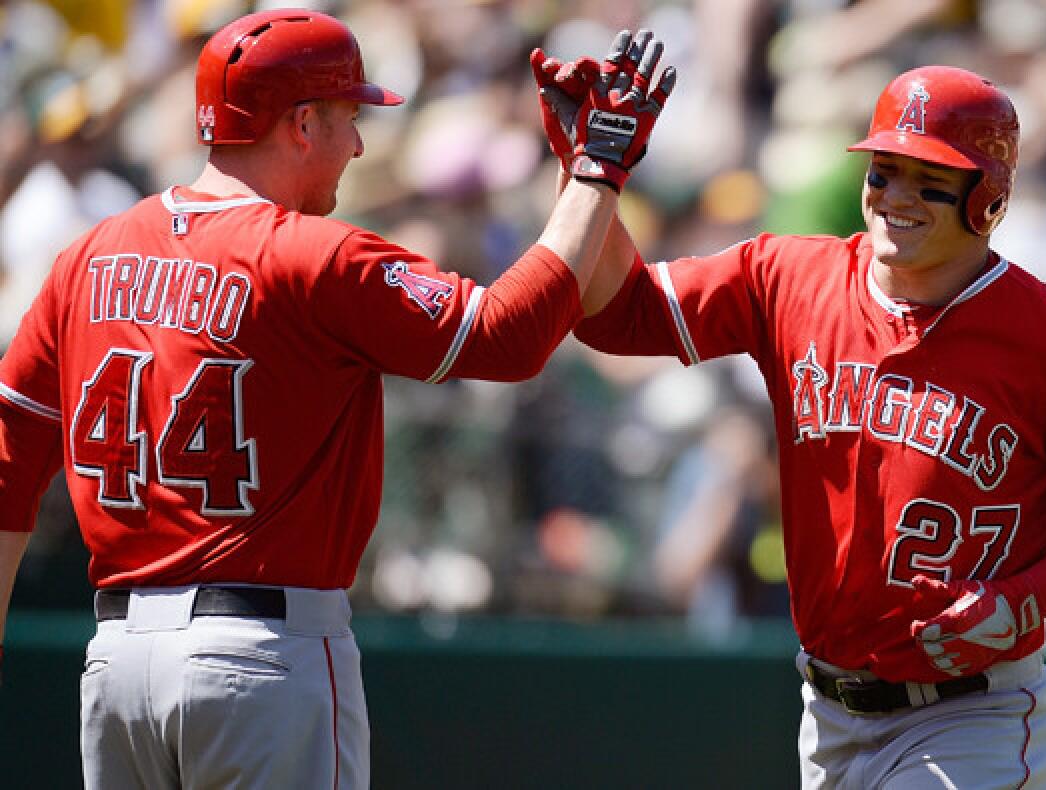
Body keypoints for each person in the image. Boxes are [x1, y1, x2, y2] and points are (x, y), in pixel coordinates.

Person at [0, 10, 673, 789]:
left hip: (114, 665)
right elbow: (505, 338)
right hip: (260, 658)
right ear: (302, 121)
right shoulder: (310, 255)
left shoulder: (88, 254)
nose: (357, 143)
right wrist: (596, 171)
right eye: (350, 116)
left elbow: (10, 456)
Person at [533, 50, 1046, 788]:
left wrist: (1030, 596)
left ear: (987, 199)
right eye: (883, 171)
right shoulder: (789, 275)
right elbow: (616, 317)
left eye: (928, 180)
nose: (895, 195)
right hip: (828, 714)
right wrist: (592, 175)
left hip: (975, 718)